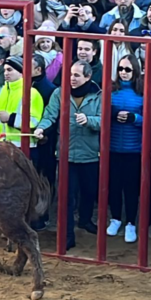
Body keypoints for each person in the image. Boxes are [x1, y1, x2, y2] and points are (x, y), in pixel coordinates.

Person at [36, 60, 101, 246]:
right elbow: (50, 115)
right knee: (66, 196)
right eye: (70, 74)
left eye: (76, 75)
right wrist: (41, 128)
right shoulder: (59, 93)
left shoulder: (99, 95)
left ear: (88, 77)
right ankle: (67, 236)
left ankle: (85, 220)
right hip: (66, 153)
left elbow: (104, 121)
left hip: (90, 153)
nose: (72, 78)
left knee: (89, 191)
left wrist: (89, 120)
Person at [107, 54, 145, 243]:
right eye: (120, 69)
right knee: (113, 186)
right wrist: (113, 115)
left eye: (127, 69)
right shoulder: (111, 90)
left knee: (131, 188)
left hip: (134, 149)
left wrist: (134, 118)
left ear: (135, 71)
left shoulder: (143, 92)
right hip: (112, 148)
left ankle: (131, 222)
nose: (123, 72)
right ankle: (115, 219)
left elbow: (149, 119)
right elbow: (103, 113)